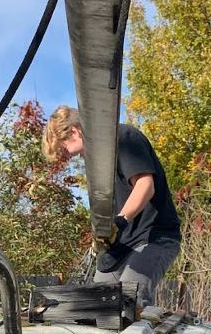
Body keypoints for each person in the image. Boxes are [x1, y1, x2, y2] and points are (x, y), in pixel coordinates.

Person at [42, 106, 181, 307]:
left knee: (128, 301)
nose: (70, 157)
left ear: (74, 131)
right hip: (120, 247)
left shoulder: (123, 138)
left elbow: (145, 186)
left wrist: (120, 221)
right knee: (97, 306)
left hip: (154, 237)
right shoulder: (97, 164)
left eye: (64, 150)